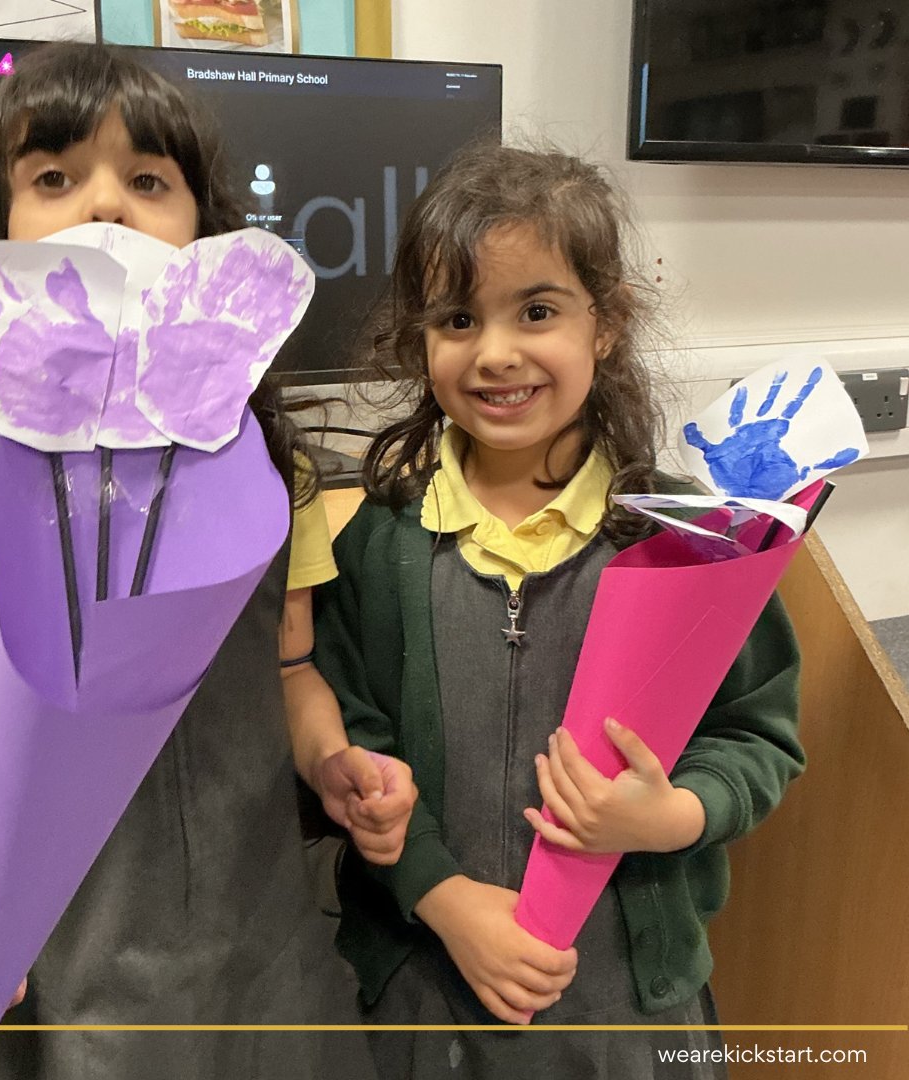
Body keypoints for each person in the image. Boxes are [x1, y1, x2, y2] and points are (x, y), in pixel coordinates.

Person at [0, 41, 413, 1080]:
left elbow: (292, 671)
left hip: (265, 962)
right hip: (73, 974)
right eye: (55, 177)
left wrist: (335, 762)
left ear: (205, 231)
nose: (105, 207)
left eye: (148, 181)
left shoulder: (264, 466)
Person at [312, 143, 804, 1079]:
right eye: (458, 318)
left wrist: (674, 815)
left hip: (628, 1011)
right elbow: (351, 737)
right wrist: (444, 895)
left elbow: (757, 734)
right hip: (427, 997)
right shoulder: (380, 542)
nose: (496, 352)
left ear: (606, 324)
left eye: (536, 311)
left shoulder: (697, 544)